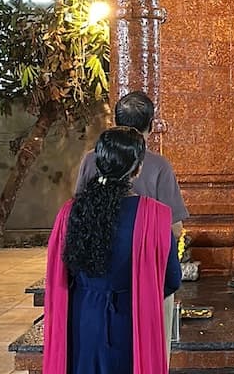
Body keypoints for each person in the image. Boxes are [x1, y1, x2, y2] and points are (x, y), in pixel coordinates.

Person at [44, 126, 181, 374]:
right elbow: (172, 279)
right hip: (131, 322)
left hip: (82, 320)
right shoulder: (155, 217)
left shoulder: (70, 211)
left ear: (99, 163)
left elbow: (59, 274)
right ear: (138, 168)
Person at [74, 92, 187, 361]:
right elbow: (175, 232)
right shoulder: (158, 167)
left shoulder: (91, 160)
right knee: (146, 354)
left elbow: (76, 217)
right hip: (146, 285)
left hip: (91, 292)